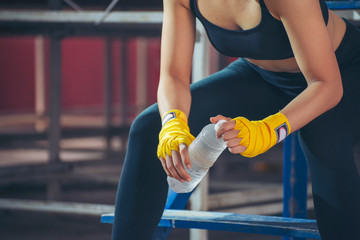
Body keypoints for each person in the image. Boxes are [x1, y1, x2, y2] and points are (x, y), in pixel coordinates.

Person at [111, 0, 360, 239]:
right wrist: (172, 122)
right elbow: (174, 75)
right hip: (262, 77)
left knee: (322, 139)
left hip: (343, 70)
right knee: (149, 127)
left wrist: (268, 130)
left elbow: (326, 85)